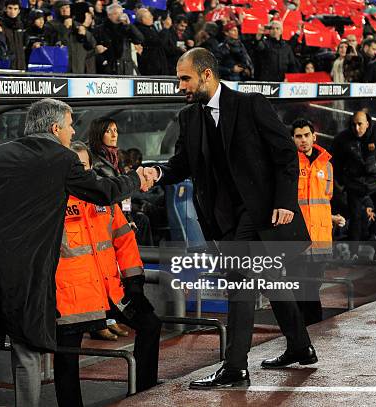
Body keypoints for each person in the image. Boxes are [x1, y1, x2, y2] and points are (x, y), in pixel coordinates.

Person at [0, 99, 151, 407]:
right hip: (22, 268)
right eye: (69, 125)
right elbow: (102, 193)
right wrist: (137, 179)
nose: (72, 131)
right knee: (26, 347)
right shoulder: (63, 159)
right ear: (55, 128)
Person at [144, 48, 315, 389]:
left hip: (261, 213)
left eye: (185, 78)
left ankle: (235, 367)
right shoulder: (189, 118)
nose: (180, 86)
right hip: (225, 218)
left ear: (206, 75)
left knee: (240, 283)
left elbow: (285, 153)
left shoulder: (250, 105)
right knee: (266, 279)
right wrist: (157, 171)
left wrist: (285, 202)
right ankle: (300, 347)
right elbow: (183, 163)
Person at [53, 141, 161, 406]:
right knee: (67, 355)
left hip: (109, 290)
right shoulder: (52, 202)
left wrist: (134, 282)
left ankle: (143, 393)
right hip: (71, 298)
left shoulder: (105, 200)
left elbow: (124, 241)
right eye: (75, 167)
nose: (81, 172)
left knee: (150, 324)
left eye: (85, 166)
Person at [291, 119, 345, 325]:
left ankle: (313, 328)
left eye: (306, 135)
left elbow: (323, 201)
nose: (303, 140)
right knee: (299, 286)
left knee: (314, 286)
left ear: (315, 137)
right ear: (293, 139)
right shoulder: (290, 164)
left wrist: (332, 217)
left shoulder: (327, 165)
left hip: (321, 237)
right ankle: (298, 331)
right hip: (298, 237)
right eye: (298, 136)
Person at [332, 111, 376, 259]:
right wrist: (341, 182)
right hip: (354, 184)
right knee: (355, 217)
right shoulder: (342, 139)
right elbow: (335, 161)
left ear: (367, 123)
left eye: (360, 124)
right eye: (353, 124)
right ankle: (353, 253)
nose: (357, 128)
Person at [88, 117, 154, 247]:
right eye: (108, 131)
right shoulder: (92, 159)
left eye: (116, 130)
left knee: (141, 220)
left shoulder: (117, 158)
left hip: (119, 213)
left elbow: (126, 195)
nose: (114, 135)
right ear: (98, 134)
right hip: (103, 216)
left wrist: (128, 218)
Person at [92, 3, 144, 75]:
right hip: (108, 69)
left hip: (125, 68)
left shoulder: (126, 28)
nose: (119, 16)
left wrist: (129, 25)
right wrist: (103, 61)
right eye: (116, 13)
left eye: (121, 13)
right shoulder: (99, 29)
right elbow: (92, 48)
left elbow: (140, 39)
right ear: (109, 15)